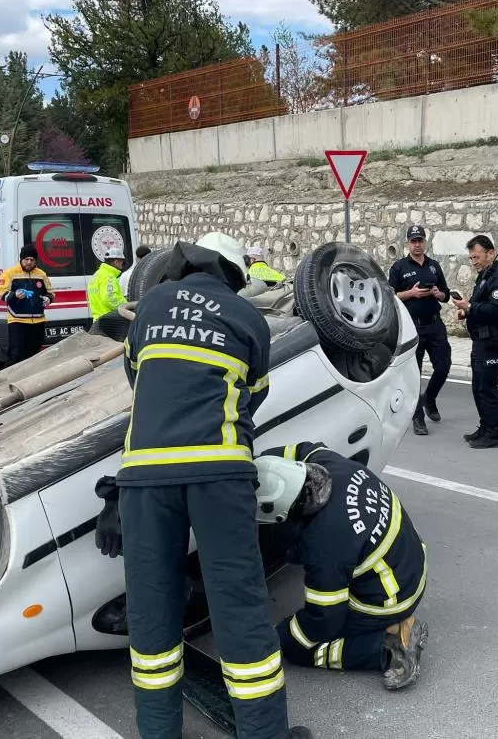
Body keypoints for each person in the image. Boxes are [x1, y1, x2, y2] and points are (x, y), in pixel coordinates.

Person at [107, 231, 311, 739]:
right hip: (219, 472)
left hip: (145, 477)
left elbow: (138, 379)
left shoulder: (152, 303)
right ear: (234, 276)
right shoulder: (248, 319)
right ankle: (265, 734)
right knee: (239, 605)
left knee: (152, 609)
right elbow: (251, 398)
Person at [254, 442, 428, 690]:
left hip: (391, 598)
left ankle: (389, 646)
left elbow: (323, 619)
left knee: (303, 650)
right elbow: (302, 448)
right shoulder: (331, 465)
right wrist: (259, 464)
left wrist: (279, 638)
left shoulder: (325, 543)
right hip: (411, 564)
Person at [387, 224, 452, 436]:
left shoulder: (433, 266)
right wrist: (411, 293)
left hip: (434, 324)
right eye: (413, 241)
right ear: (408, 243)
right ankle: (417, 417)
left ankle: (429, 398)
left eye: (420, 240)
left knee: (443, 366)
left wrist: (437, 293)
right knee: (414, 374)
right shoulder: (399, 267)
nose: (417, 245)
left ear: (425, 242)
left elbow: (445, 293)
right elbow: (390, 297)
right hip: (411, 326)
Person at [450, 235, 498, 449]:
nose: (474, 262)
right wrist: (465, 312)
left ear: (490, 253)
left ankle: (495, 434)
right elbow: (478, 305)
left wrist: (470, 307)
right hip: (480, 341)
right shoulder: (484, 276)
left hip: (493, 342)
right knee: (477, 387)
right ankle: (485, 427)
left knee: (487, 388)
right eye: (471, 258)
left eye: (476, 257)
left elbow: (497, 310)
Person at [0, 244, 54, 365]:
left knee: (35, 356)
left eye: (32, 260)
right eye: (26, 259)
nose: (29, 262)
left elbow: (50, 292)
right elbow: (1, 292)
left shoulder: (41, 274)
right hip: (17, 320)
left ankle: (31, 381)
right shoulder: (10, 273)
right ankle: (11, 380)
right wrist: (14, 295)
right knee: (16, 355)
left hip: (38, 321)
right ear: (21, 259)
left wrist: (48, 299)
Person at [88, 246, 128, 321]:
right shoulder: (108, 277)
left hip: (98, 319)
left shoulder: (96, 275)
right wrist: (126, 306)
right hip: (110, 321)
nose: (122, 265)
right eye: (122, 262)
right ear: (116, 262)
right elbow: (110, 299)